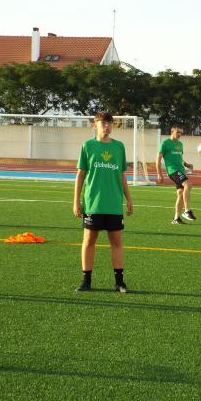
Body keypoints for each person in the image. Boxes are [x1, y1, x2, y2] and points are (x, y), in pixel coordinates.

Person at [73, 111, 134, 293]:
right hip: (93, 203)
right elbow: (80, 175)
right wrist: (76, 200)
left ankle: (119, 282)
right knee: (89, 240)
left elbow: (122, 175)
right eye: (103, 123)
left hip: (114, 203)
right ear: (95, 125)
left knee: (116, 242)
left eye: (109, 123)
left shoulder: (119, 147)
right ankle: (86, 281)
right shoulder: (88, 146)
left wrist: (129, 198)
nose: (106, 126)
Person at [156, 126, 196, 224]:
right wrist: (159, 174)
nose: (179, 135)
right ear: (172, 131)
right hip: (172, 170)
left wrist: (186, 164)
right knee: (188, 184)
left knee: (180, 193)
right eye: (177, 132)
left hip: (181, 170)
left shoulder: (180, 144)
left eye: (181, 133)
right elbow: (158, 160)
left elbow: (180, 157)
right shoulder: (165, 144)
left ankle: (176, 218)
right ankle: (187, 211)